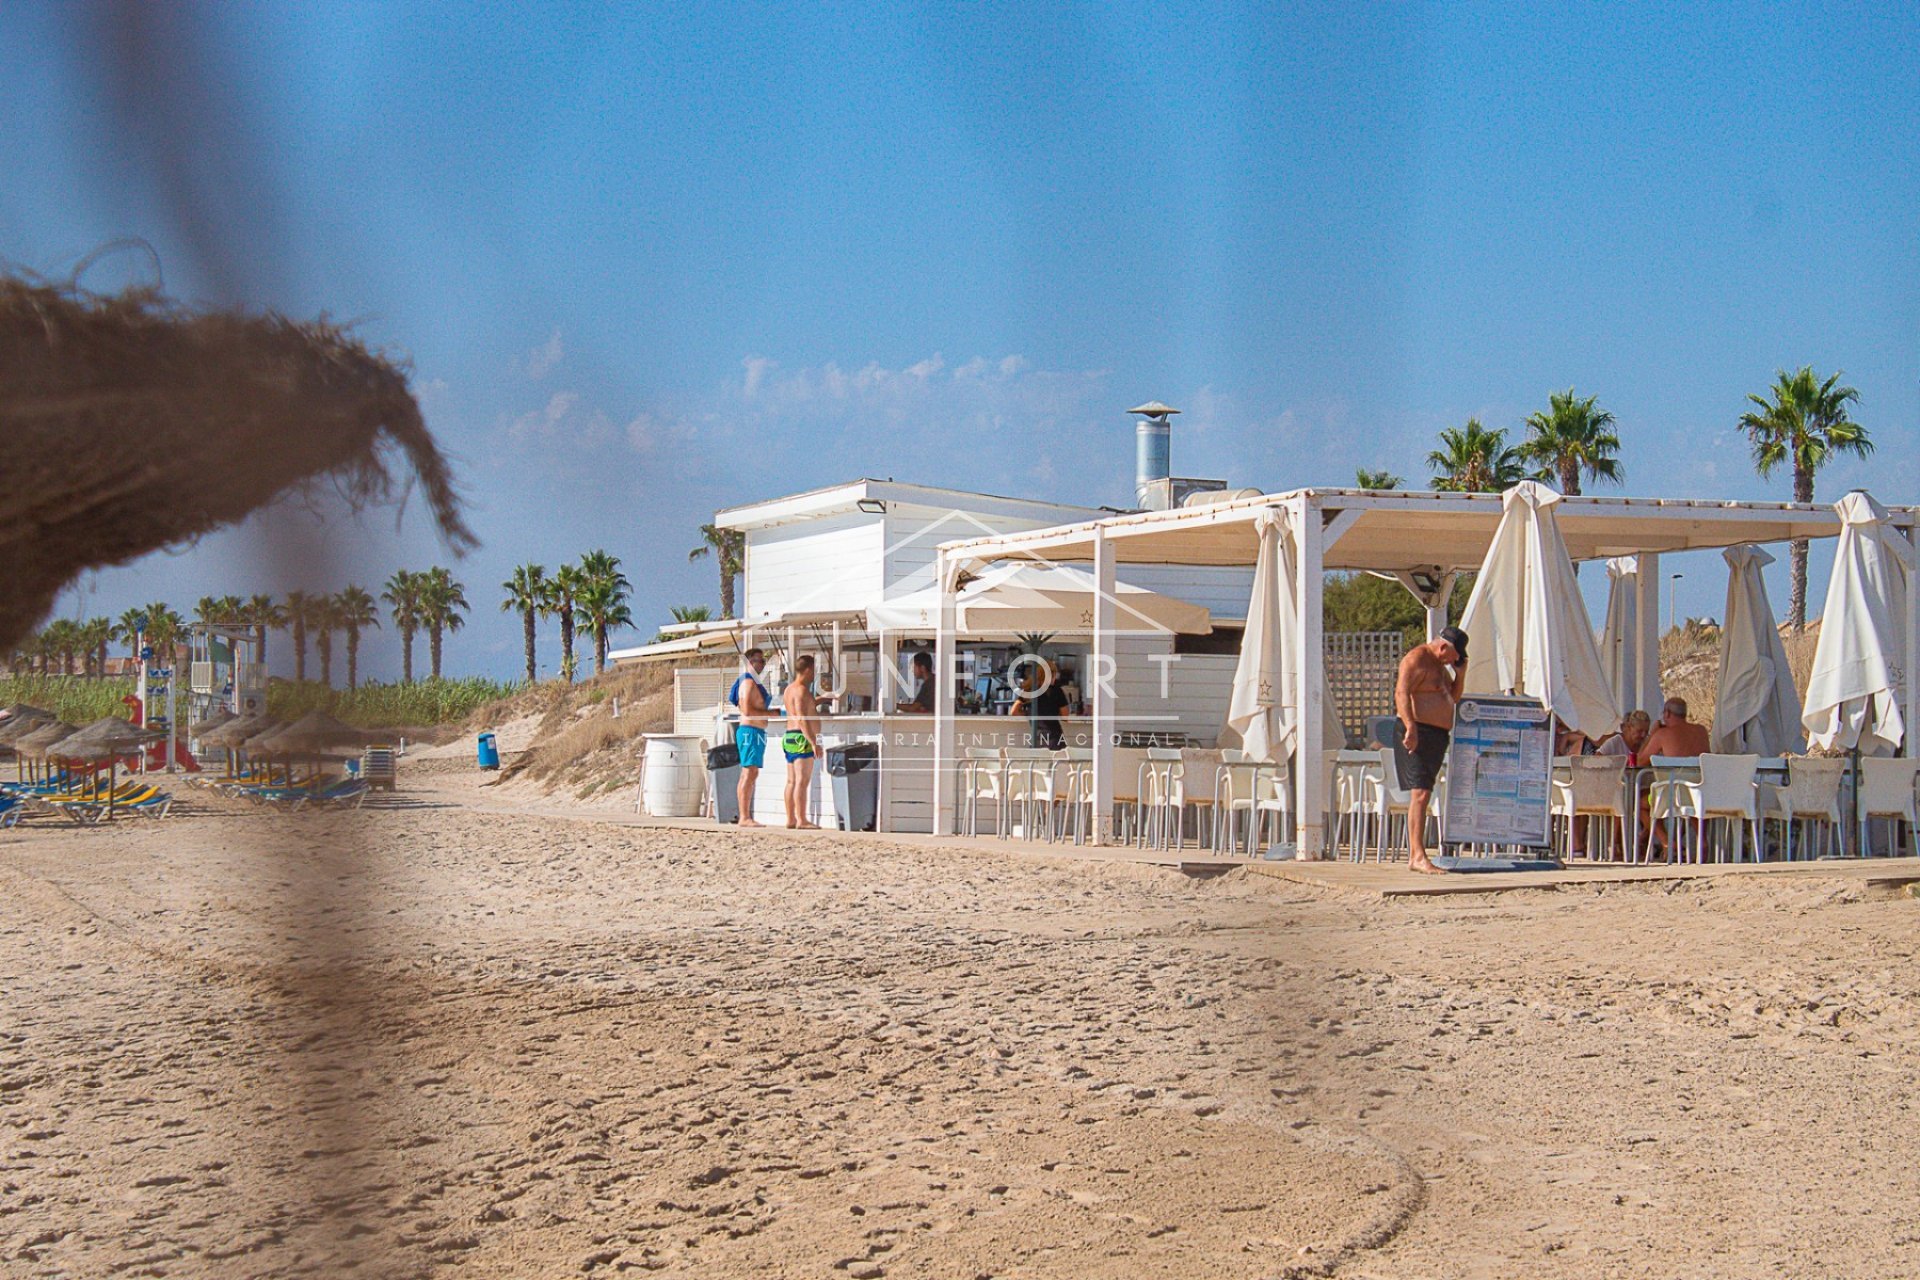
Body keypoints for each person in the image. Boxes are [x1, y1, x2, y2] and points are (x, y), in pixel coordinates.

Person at [1394, 626, 1469, 875]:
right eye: (1455, 656)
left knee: (1424, 792)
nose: (1454, 660)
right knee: (1420, 793)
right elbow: (1401, 692)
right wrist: (1410, 726)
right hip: (1418, 731)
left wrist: (1461, 674)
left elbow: (1453, 698)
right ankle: (1417, 856)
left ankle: (1416, 855)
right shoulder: (1417, 658)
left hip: (1437, 735)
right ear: (1444, 647)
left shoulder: (1441, 667)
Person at [729, 648, 770, 827]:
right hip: (750, 730)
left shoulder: (753, 682)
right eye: (759, 661)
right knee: (748, 772)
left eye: (763, 661)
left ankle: (745, 815)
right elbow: (745, 708)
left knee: (752, 772)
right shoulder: (747, 682)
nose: (762, 665)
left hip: (755, 730)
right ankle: (744, 816)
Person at [781, 654, 822, 829]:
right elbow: (801, 717)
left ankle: (791, 818)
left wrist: (820, 700)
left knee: (791, 781)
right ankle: (802, 820)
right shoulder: (802, 690)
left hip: (790, 736)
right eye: (813, 671)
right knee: (802, 781)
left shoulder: (789, 689)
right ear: (807, 670)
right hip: (801, 737)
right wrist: (813, 742)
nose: (814, 675)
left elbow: (802, 707)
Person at [1009, 657, 1068, 750]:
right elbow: (1065, 716)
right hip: (1055, 738)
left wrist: (1029, 714)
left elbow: (1013, 711)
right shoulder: (1057, 691)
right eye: (1054, 675)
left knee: (1036, 759)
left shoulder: (1029, 690)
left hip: (1036, 739)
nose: (1055, 678)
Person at [1643, 697, 1710, 760]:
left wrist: (1652, 734)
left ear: (1667, 713)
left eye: (1663, 713)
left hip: (1673, 769)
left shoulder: (1663, 734)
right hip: (1700, 769)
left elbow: (1640, 762)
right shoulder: (1702, 731)